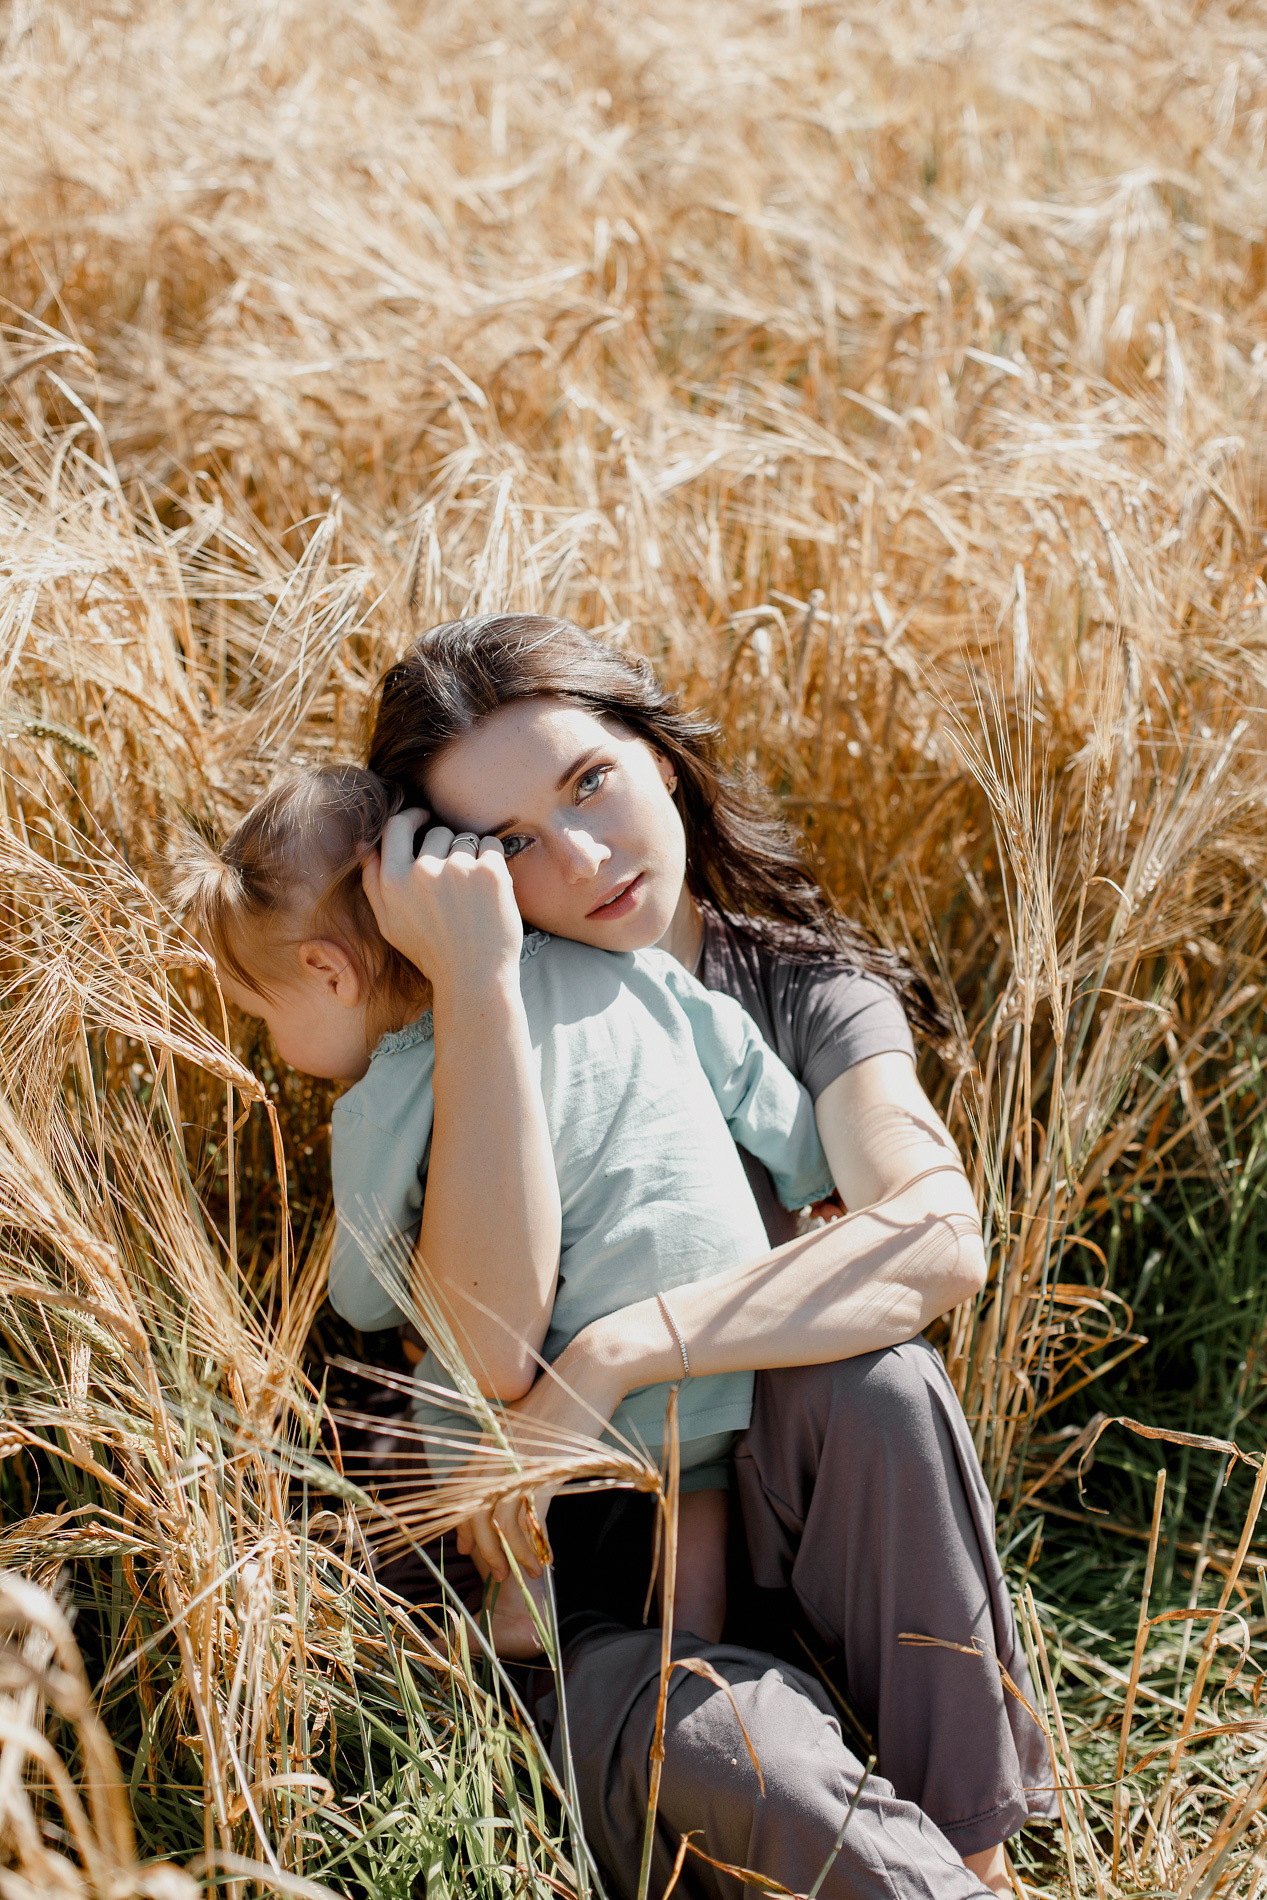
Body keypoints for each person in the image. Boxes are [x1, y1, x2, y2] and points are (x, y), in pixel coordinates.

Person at [361, 614, 1057, 1900]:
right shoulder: (458, 1027)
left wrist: (622, 1351)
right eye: (509, 842)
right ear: (452, 875)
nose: (578, 855)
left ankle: (976, 1856)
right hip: (577, 1627)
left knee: (879, 1380)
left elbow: (937, 1234)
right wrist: (477, 995)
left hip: (803, 1561)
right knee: (756, 1766)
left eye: (589, 782)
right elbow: (489, 1346)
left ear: (661, 759)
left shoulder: (798, 991)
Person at [173, 763, 835, 1654]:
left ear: (329, 973)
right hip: (718, 1347)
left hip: (574, 1407)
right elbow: (749, 1068)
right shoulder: (623, 966)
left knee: (451, 1369)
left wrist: (402, 1304)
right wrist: (811, 1184)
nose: (271, 1046)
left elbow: (368, 1296)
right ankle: (697, 1647)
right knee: (694, 1490)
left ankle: (521, 1602)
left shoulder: (389, 1092)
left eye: (262, 1019)